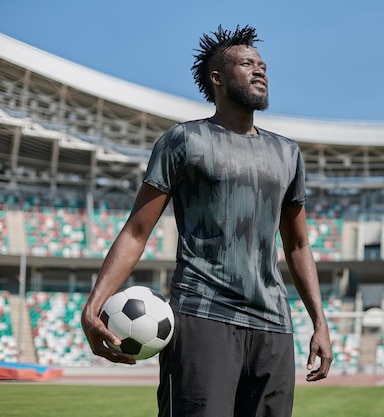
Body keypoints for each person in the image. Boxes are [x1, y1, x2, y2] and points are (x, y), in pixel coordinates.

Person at [81, 24, 333, 417]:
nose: (260, 70)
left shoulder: (288, 153)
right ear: (217, 78)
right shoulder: (184, 141)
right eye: (247, 63)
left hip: (274, 325)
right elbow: (136, 231)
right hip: (203, 316)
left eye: (262, 65)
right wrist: (93, 306)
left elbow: (298, 245)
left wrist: (320, 321)